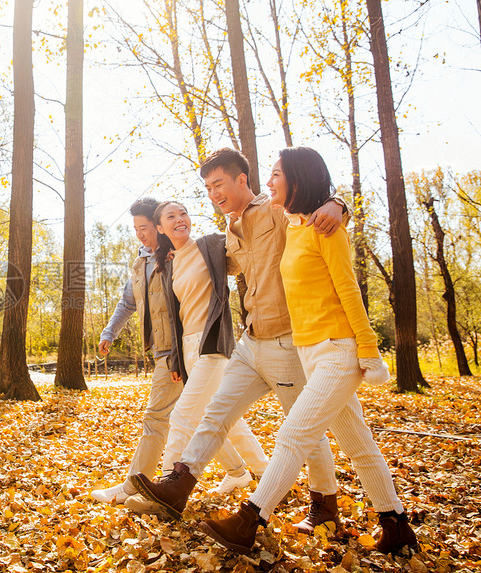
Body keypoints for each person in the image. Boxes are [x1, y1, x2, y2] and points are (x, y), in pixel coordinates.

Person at [197, 147, 417, 555]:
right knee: (359, 445)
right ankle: (397, 526)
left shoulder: (323, 228)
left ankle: (249, 521)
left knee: (293, 434)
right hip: (310, 351)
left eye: (277, 174)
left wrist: (369, 351)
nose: (270, 181)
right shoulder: (294, 226)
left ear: (298, 178)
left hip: (338, 349)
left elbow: (349, 290)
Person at [127, 148, 345, 536]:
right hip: (250, 339)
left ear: (241, 180)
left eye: (218, 184)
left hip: (287, 339)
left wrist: (337, 202)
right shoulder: (228, 232)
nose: (213, 193)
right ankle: (179, 484)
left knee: (303, 430)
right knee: (217, 412)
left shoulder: (275, 210)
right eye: (208, 188)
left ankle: (324, 504)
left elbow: (313, 212)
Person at [147, 200, 268, 512]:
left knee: (183, 416)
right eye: (170, 216)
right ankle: (252, 473)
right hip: (188, 348)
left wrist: (238, 218)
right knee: (222, 418)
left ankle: (166, 485)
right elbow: (176, 316)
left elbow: (241, 253)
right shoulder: (170, 264)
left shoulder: (210, 245)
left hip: (213, 343)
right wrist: (175, 357)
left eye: (183, 213)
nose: (179, 219)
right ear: (161, 228)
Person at [89, 198, 183, 504]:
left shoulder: (177, 254)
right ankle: (240, 470)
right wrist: (109, 332)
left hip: (177, 350)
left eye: (144, 227)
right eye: (135, 229)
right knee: (207, 416)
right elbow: (128, 302)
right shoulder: (141, 259)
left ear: (158, 225)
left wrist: (179, 353)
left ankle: (133, 485)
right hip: (161, 349)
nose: (139, 234)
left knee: (156, 418)